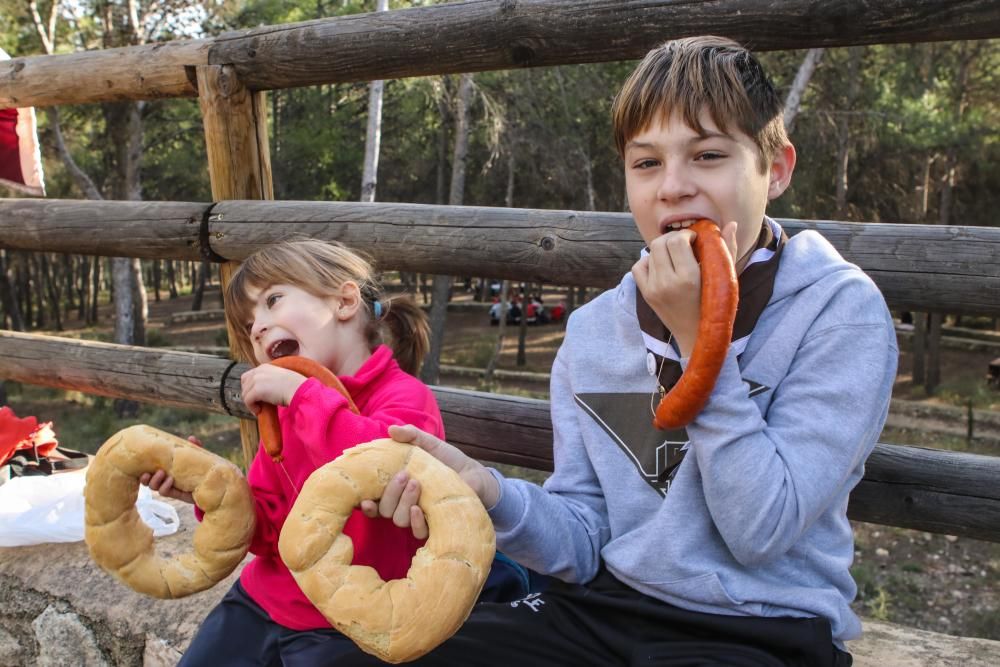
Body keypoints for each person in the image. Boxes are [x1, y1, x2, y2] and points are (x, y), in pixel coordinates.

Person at [336, 36, 897, 666]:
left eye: (708, 154)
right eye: (647, 163)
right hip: (604, 606)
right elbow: (584, 535)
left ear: (778, 168)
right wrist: (485, 490)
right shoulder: (594, 331)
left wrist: (697, 339)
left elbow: (761, 530)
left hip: (760, 625)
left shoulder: (838, 313)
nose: (674, 187)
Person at [141, 239, 531, 666]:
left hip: (348, 619)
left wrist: (303, 396)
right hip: (260, 602)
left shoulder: (404, 398)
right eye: (248, 323)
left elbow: (381, 462)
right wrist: (210, 495)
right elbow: (270, 531)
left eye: (272, 301)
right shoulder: (289, 416)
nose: (256, 327)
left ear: (344, 301)